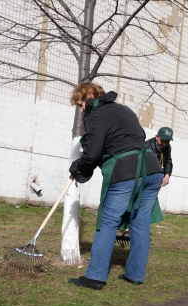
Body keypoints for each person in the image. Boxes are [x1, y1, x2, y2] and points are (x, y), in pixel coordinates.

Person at [68, 83, 164, 290]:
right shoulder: (124, 110)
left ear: (91, 95)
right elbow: (135, 137)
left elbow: (93, 153)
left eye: (81, 103)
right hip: (153, 170)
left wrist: (77, 167)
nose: (81, 108)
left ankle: (95, 276)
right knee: (140, 222)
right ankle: (135, 275)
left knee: (108, 221)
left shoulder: (95, 117)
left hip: (127, 171)